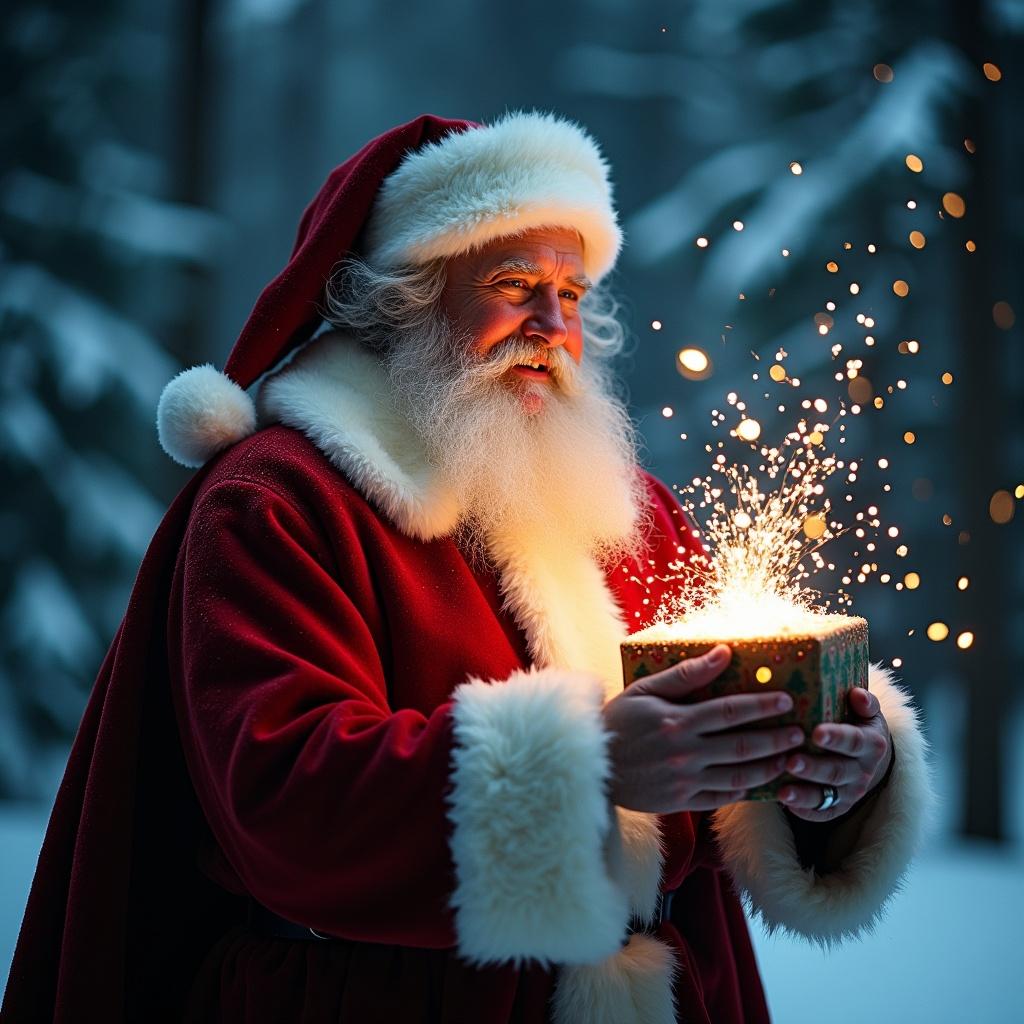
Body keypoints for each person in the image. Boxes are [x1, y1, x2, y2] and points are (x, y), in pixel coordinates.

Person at [3, 112, 932, 1024]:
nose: (550, 323)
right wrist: (590, 767)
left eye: (571, 295)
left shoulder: (629, 512)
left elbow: (717, 790)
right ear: (401, 298)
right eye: (514, 282)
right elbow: (285, 803)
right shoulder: (278, 501)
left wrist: (828, 776)